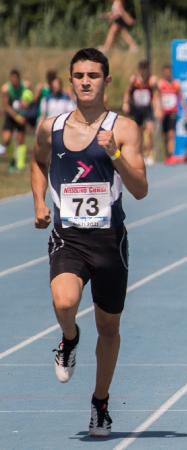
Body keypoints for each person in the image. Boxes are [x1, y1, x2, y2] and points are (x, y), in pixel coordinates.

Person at [30, 47, 147, 436]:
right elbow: (37, 161)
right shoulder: (51, 127)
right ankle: (69, 337)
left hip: (110, 241)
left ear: (106, 81)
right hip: (69, 237)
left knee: (109, 329)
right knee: (64, 301)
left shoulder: (124, 128)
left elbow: (140, 189)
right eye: (79, 75)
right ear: (70, 80)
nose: (85, 81)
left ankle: (100, 402)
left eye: (93, 75)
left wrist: (114, 152)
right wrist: (38, 202)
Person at [123, 60, 160, 165]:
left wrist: (157, 108)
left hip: (148, 108)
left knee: (149, 131)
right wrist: (126, 103)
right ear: (139, 70)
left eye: (146, 70)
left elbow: (157, 95)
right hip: (137, 108)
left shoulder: (152, 80)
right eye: (142, 70)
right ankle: (139, 153)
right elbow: (127, 92)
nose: (144, 72)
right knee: (137, 132)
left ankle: (149, 154)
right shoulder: (134, 79)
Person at [157, 64, 187, 165]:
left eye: (169, 72)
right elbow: (157, 97)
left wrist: (185, 110)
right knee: (165, 135)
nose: (167, 74)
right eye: (165, 72)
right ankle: (167, 155)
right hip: (164, 112)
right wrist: (158, 109)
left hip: (173, 112)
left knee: (171, 134)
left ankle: (171, 154)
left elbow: (181, 97)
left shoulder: (176, 84)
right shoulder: (161, 84)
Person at [2, 69, 31, 171]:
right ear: (10, 79)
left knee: (20, 139)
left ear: (19, 79)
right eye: (12, 78)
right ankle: (12, 161)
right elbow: (6, 106)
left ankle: (20, 165)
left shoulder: (25, 85)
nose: (14, 80)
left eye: (16, 78)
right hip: (11, 115)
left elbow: (29, 97)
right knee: (6, 139)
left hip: (21, 114)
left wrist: (26, 102)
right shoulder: (6, 89)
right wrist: (16, 117)